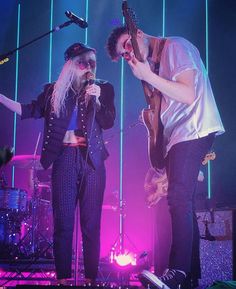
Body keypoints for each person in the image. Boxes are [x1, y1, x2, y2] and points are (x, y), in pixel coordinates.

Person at [106, 26, 224, 289]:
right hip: (178, 137)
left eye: (127, 45)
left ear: (138, 33)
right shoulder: (157, 68)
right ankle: (189, 276)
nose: (129, 54)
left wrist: (147, 74)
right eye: (123, 55)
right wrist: (151, 126)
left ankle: (178, 273)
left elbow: (188, 94)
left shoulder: (175, 47)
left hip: (193, 129)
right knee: (182, 202)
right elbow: (158, 158)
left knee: (178, 198)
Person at [0, 42, 116, 285]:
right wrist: (1, 98)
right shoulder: (54, 91)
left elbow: (108, 122)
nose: (89, 67)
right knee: (63, 222)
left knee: (91, 224)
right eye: (83, 62)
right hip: (63, 158)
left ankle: (90, 279)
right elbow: (28, 110)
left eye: (92, 62)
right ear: (71, 65)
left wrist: (96, 101)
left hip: (92, 161)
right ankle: (63, 279)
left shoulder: (103, 88)